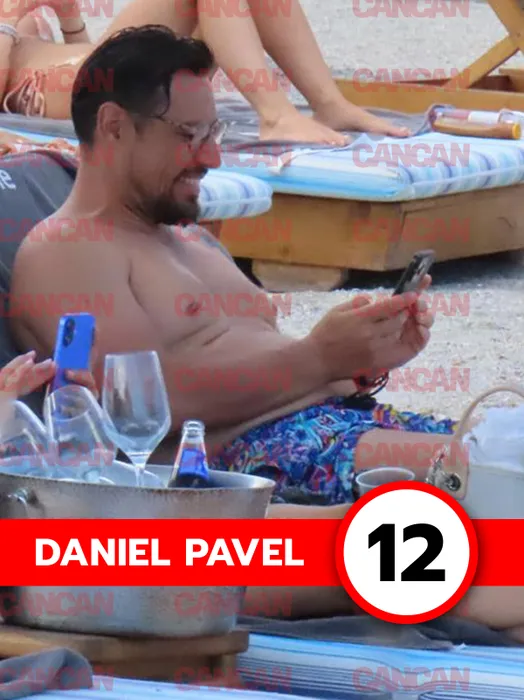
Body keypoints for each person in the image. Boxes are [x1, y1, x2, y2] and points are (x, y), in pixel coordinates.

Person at [11, 26, 522, 630]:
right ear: (116, 126)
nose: (212, 158)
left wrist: (361, 358)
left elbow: (275, 363)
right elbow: (144, 410)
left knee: (504, 457)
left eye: (215, 133)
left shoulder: (190, 240)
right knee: (495, 482)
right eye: (189, 135)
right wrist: (317, 359)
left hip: (338, 425)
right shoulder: (67, 249)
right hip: (252, 466)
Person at [0, 0, 408, 144]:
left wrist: (69, 17)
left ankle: (328, 103)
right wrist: (9, 17)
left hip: (86, 73)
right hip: (64, 88)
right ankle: (276, 116)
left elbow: (77, 53)